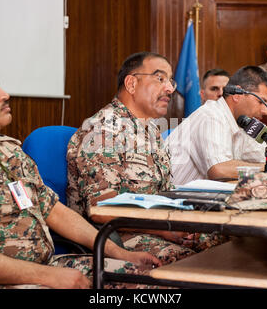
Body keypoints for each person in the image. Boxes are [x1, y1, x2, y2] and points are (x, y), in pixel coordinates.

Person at [0, 58, 161, 289]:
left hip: (42, 269)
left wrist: (119, 253)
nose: (4, 94)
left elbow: (52, 209)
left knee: (149, 279)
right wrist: (48, 277)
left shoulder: (7, 148)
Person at [67, 52, 226, 264]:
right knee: (190, 262)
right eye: (160, 79)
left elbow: (165, 195)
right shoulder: (103, 132)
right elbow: (103, 211)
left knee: (229, 240)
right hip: (118, 237)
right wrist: (163, 228)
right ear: (131, 84)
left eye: (171, 81)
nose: (170, 89)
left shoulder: (151, 130)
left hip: (159, 227)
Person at [166, 66, 267, 185]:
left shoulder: (243, 123)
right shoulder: (212, 115)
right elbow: (219, 170)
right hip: (168, 203)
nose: (266, 111)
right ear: (237, 95)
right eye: (260, 101)